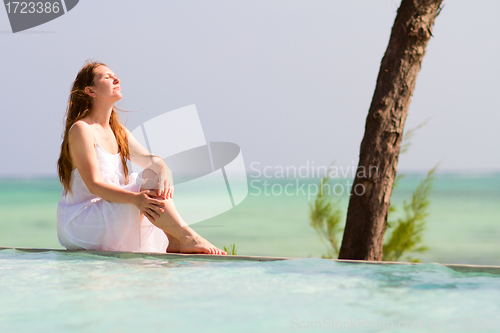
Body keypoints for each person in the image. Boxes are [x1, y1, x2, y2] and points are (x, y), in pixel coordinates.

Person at [56, 61, 226, 255]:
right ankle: (187, 237)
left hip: (110, 212)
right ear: (90, 91)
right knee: (144, 182)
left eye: (115, 75)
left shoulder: (118, 132)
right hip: (83, 222)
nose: (116, 79)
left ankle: (176, 239)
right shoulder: (81, 130)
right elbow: (94, 185)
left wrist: (163, 168)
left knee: (153, 173)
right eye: (107, 77)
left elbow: (151, 160)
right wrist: (136, 199)